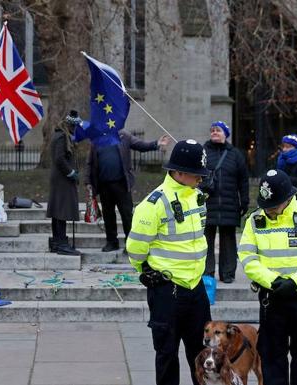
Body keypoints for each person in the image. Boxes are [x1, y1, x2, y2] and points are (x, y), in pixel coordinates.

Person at [127, 139, 211, 385]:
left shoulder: (197, 197)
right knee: (167, 354)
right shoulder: (154, 204)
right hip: (168, 290)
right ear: (179, 172)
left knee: (203, 356)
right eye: (197, 174)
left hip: (196, 288)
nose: (201, 179)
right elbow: (136, 246)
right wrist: (145, 270)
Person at [238, 169, 297, 385]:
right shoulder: (255, 220)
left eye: (274, 206)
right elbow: (248, 258)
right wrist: (272, 281)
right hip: (273, 298)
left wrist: (295, 282)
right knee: (271, 360)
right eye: (265, 206)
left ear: (289, 198)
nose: (269, 211)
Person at [85, 130, 171, 252]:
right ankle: (111, 242)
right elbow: (90, 163)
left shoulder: (124, 136)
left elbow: (140, 145)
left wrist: (156, 144)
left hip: (122, 184)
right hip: (104, 185)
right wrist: (87, 181)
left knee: (127, 216)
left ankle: (130, 244)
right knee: (108, 215)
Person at [201, 121, 249, 284]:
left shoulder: (235, 154)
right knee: (206, 239)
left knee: (228, 240)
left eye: (218, 130)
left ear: (225, 134)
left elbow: (243, 179)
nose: (214, 132)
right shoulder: (203, 152)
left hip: (229, 204)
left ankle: (227, 273)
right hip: (208, 203)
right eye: (212, 130)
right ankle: (207, 272)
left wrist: (245, 200)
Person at [46, 110, 81, 256]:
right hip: (62, 179)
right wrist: (71, 172)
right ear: (69, 125)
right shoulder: (61, 137)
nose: (75, 128)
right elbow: (60, 158)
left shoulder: (62, 135)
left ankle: (58, 241)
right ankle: (61, 243)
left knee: (59, 211)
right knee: (61, 211)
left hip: (60, 179)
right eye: (74, 126)